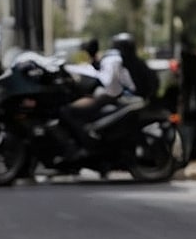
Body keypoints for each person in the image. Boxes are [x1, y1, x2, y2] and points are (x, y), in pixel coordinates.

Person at [55, 31, 141, 163]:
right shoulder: (120, 59)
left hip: (111, 95)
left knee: (68, 110)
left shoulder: (112, 60)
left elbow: (108, 82)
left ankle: (84, 144)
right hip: (115, 94)